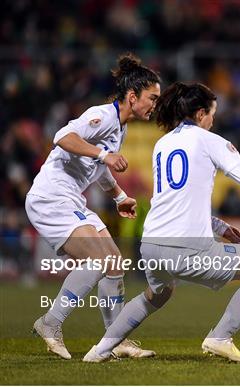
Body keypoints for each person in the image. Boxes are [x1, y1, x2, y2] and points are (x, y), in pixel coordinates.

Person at [82, 81, 240, 363]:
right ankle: (221, 337)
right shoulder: (209, 141)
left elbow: (177, 199)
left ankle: (99, 350)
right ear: (202, 113)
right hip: (187, 249)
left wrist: (219, 227)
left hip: (152, 244)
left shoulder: (163, 143)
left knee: (158, 293)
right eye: (212, 113)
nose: (213, 120)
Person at [27, 53, 161, 360]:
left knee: (115, 262)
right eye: (152, 98)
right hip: (51, 197)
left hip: (71, 198)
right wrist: (104, 155)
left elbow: (97, 167)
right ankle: (51, 322)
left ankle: (116, 340)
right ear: (132, 96)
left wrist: (118, 196)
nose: (154, 104)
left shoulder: (121, 128)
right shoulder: (102, 115)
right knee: (100, 261)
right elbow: (62, 137)